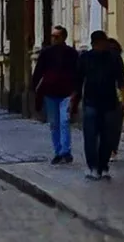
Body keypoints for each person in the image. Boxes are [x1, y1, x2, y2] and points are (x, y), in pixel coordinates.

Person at [71, 29, 124, 180]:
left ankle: (99, 167)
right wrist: (74, 101)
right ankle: (97, 167)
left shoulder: (94, 57)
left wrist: (74, 102)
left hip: (100, 102)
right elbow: (78, 81)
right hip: (98, 102)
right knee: (98, 136)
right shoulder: (108, 58)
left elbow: (121, 82)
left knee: (100, 137)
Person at [33, 26, 79, 164]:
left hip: (66, 93)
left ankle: (65, 151)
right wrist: (34, 87)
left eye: (56, 36)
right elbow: (38, 71)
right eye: (52, 36)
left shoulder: (72, 53)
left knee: (64, 121)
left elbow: (77, 73)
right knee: (54, 123)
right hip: (50, 93)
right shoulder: (46, 53)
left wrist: (76, 91)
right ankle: (58, 151)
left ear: (64, 37)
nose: (53, 39)